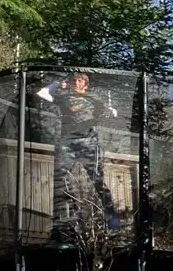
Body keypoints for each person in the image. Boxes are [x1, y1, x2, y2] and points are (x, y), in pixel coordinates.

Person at [35, 72, 121, 235]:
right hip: (67, 144)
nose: (75, 82)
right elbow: (42, 93)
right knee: (59, 180)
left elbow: (111, 112)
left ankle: (113, 218)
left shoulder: (93, 99)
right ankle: (63, 223)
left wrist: (110, 112)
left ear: (85, 84)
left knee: (97, 179)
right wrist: (58, 84)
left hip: (88, 143)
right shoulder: (63, 98)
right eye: (73, 80)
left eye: (79, 80)